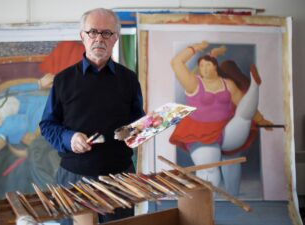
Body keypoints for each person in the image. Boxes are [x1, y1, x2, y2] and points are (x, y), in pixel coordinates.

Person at [39, 8, 145, 224]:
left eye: (106, 33)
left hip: (120, 177)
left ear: (115, 37)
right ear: (82, 36)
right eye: (92, 32)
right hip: (73, 177)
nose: (99, 38)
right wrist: (69, 138)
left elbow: (138, 122)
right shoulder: (63, 80)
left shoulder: (129, 79)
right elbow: (47, 125)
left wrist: (140, 130)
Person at [169, 41, 273, 196]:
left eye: (207, 65)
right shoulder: (193, 83)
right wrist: (194, 49)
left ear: (215, 66)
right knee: (209, 169)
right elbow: (176, 62)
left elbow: (241, 102)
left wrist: (261, 120)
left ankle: (255, 86)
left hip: (227, 130)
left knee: (243, 117)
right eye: (201, 66)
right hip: (201, 134)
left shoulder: (228, 84)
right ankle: (208, 207)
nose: (204, 69)